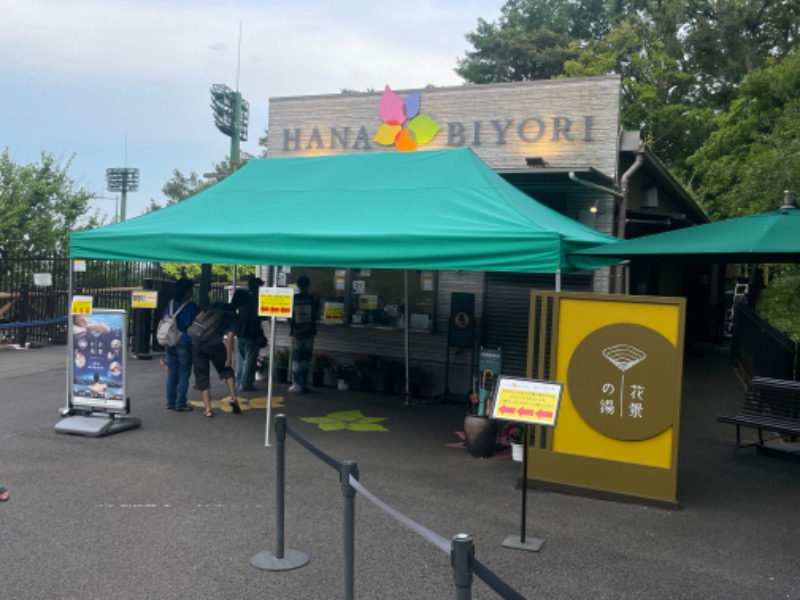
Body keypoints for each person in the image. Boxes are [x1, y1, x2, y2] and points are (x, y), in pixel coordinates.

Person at [191, 289, 249, 417]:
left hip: (197, 342)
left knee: (202, 375)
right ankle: (233, 398)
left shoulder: (216, 304)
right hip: (214, 345)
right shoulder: (234, 316)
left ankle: (208, 409)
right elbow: (229, 340)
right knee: (227, 371)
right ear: (243, 304)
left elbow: (198, 317)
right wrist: (228, 358)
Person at [163, 278, 200, 412]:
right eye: (191, 290)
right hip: (184, 341)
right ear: (187, 291)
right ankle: (181, 403)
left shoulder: (170, 304)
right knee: (184, 374)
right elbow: (197, 324)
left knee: (172, 373)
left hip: (169, 341)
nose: (192, 292)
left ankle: (170, 402)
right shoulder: (191, 307)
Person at [236, 276, 266, 392]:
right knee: (249, 360)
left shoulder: (243, 298)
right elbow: (261, 317)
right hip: (252, 333)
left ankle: (239, 381)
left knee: (241, 359)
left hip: (240, 332)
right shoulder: (258, 300)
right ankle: (245, 384)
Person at [288, 275, 317, 393]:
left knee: (296, 358)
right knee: (306, 358)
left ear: (298, 285)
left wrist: (292, 328)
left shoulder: (294, 298)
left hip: (297, 332)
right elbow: (315, 315)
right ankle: (304, 383)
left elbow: (290, 316)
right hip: (309, 332)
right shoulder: (312, 298)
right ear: (308, 285)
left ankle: (296, 384)